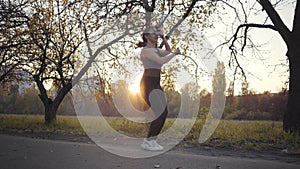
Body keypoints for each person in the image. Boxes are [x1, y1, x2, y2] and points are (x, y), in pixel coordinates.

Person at [137, 25, 180, 151]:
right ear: (146, 36)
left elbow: (167, 51)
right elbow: (162, 61)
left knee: (164, 112)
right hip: (148, 84)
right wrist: (175, 54)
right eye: (153, 33)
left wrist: (164, 39)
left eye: (157, 33)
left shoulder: (155, 50)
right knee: (159, 112)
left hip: (156, 84)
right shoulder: (146, 51)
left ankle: (151, 140)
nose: (156, 35)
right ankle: (148, 141)